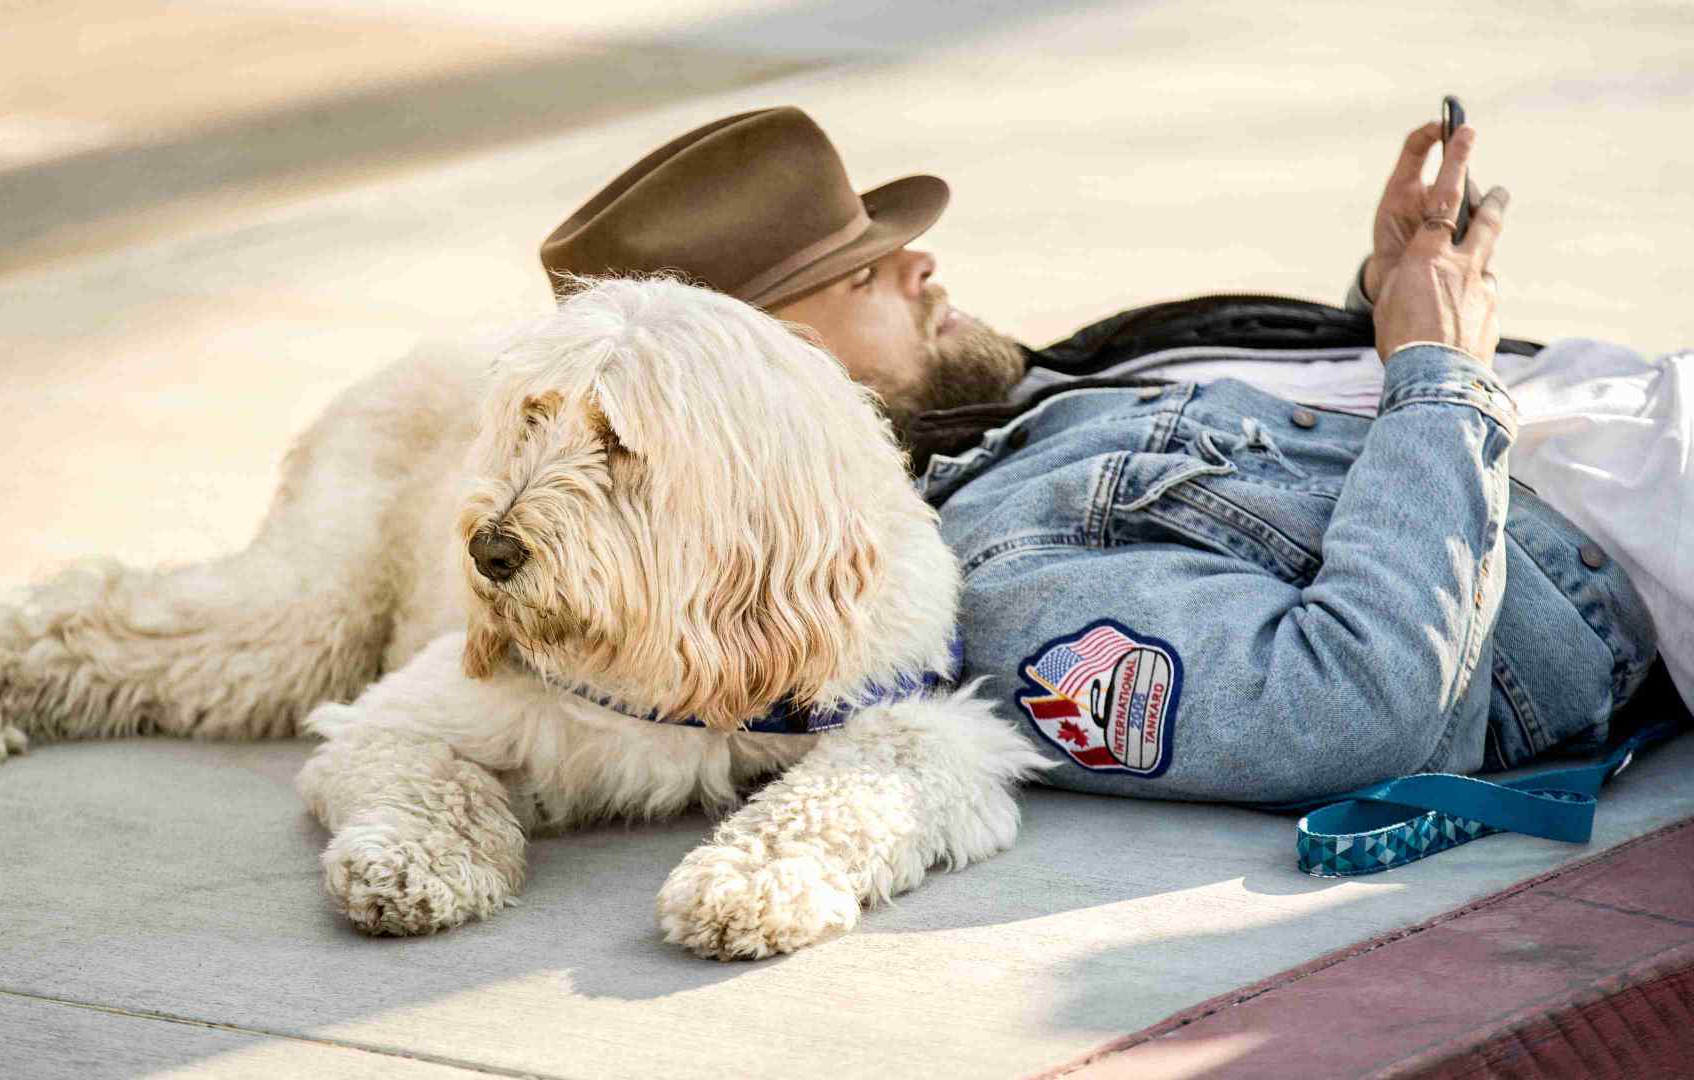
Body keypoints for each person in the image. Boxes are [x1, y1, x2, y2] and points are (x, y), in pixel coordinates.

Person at [539, 107, 1688, 803]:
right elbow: (1354, 707)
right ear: (783, 376)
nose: (921, 265)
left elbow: (1302, 439)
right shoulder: (1004, 566)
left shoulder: (1028, 392)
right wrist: (1436, 368)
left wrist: (1384, 298)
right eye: (863, 275)